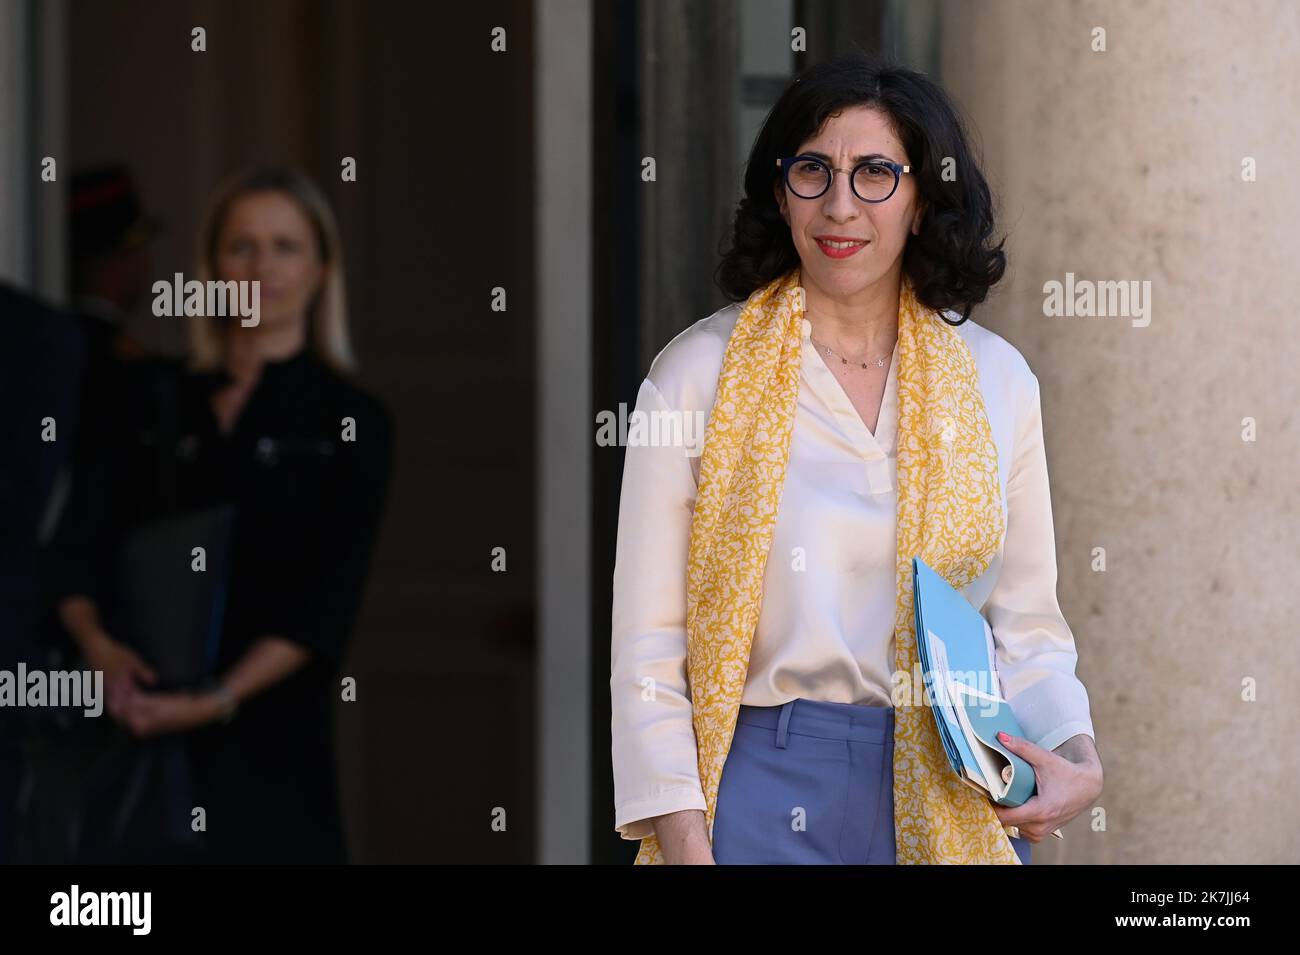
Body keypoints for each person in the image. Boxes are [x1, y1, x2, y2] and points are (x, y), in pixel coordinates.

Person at [610, 53, 1104, 865]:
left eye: (876, 172)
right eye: (814, 170)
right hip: (755, 791)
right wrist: (689, 847)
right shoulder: (694, 376)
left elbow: (1026, 627)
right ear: (781, 191)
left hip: (952, 786)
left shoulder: (996, 379)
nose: (841, 205)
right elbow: (648, 648)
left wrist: (1078, 757)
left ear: (921, 200)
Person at [46, 167, 393, 863]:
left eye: (285, 246)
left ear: (321, 267)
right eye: (242, 246)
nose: (262, 266)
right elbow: (73, 548)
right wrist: (101, 650)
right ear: (213, 265)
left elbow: (323, 604)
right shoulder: (144, 394)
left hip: (269, 757)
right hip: (129, 732)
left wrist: (215, 697)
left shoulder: (348, 420)